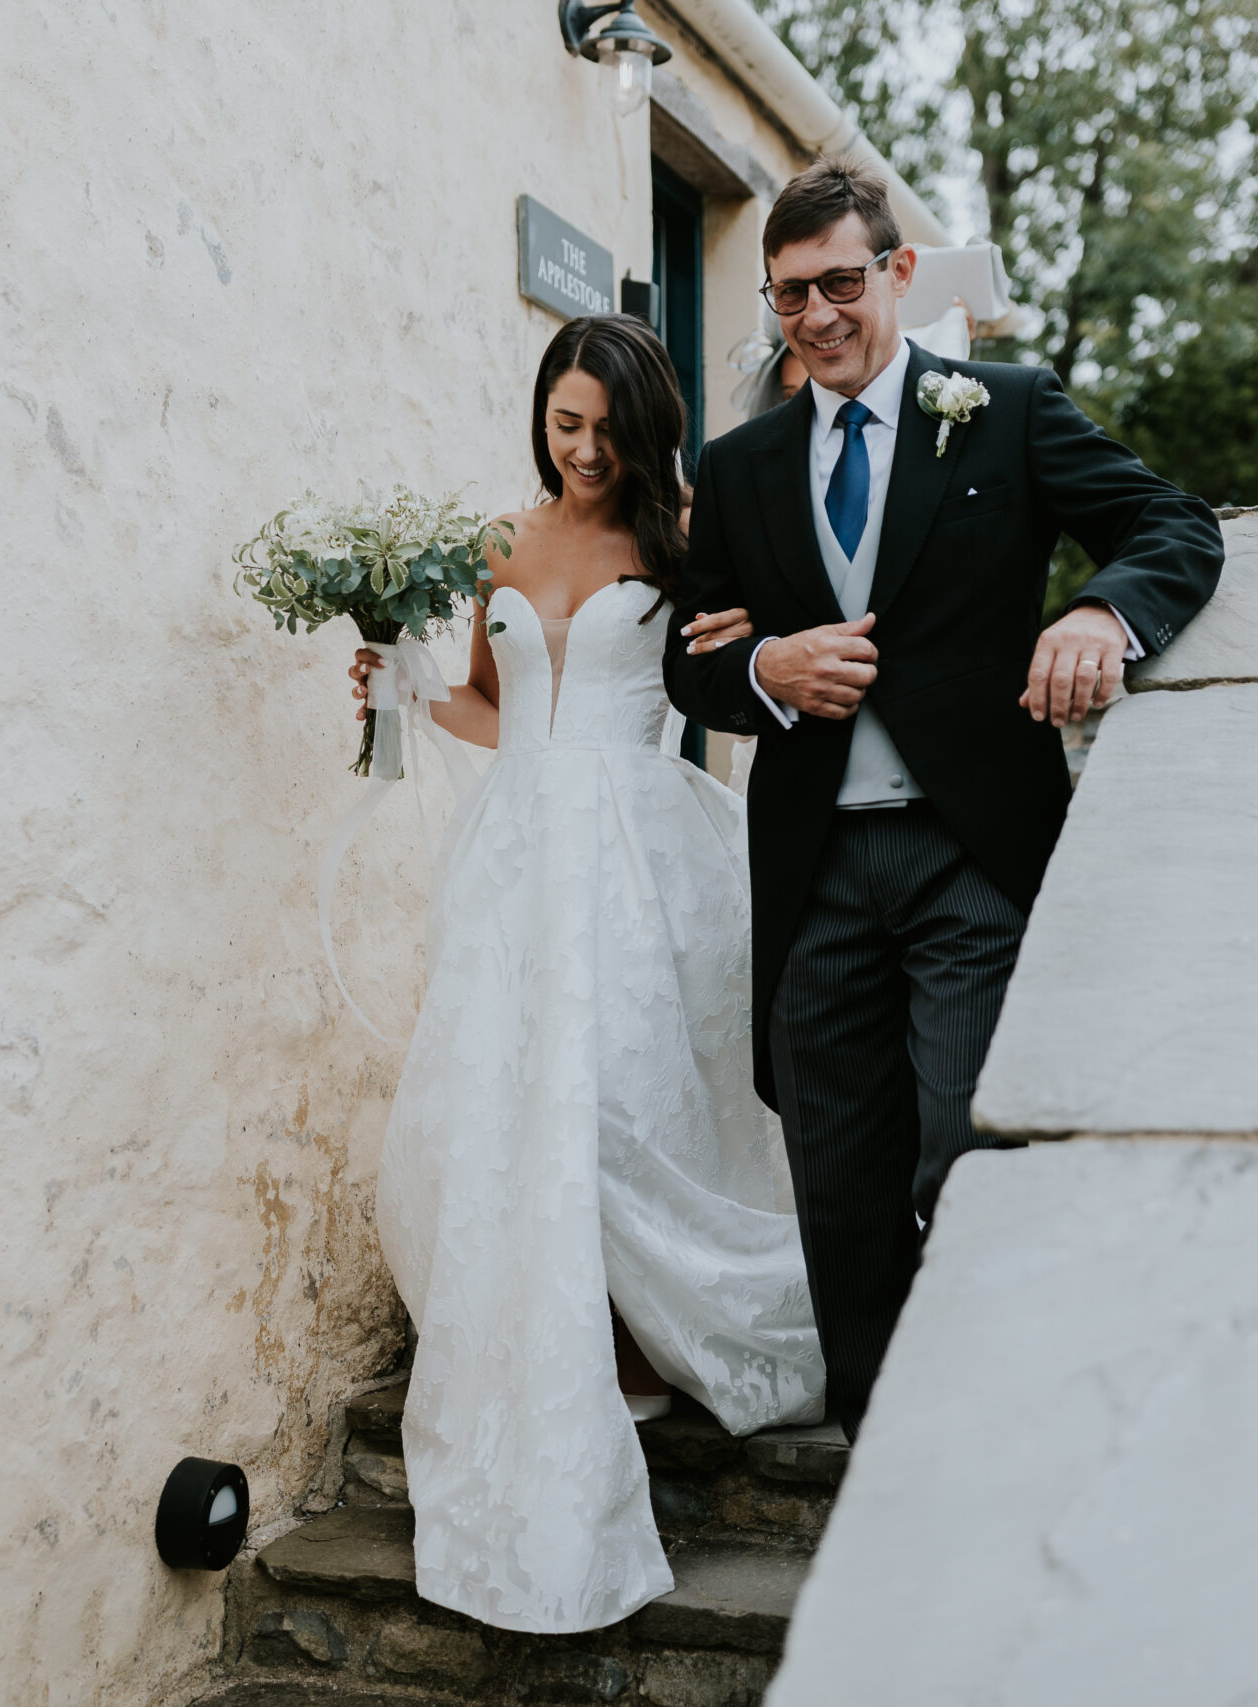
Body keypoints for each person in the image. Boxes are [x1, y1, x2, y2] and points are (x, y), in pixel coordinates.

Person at [665, 159, 1224, 1442]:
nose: (818, 316)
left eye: (842, 284)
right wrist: (768, 666)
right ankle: (880, 1460)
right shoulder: (742, 467)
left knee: (969, 1162)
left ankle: (995, 1438)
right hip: (812, 877)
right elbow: (686, 661)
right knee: (842, 1193)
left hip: (970, 857)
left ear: (897, 276)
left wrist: (1098, 611)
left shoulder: (1007, 411)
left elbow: (1173, 526)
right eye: (791, 293)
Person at [346, 315, 825, 1635]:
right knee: (511, 1088)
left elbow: (735, 669)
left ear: (644, 425)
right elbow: (495, 707)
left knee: (618, 1089)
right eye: (566, 425)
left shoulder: (684, 536)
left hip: (633, 849)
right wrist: (402, 686)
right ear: (541, 416)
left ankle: (643, 1335)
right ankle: (554, 1333)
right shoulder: (499, 539)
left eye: (607, 429)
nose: (584, 451)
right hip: (515, 856)